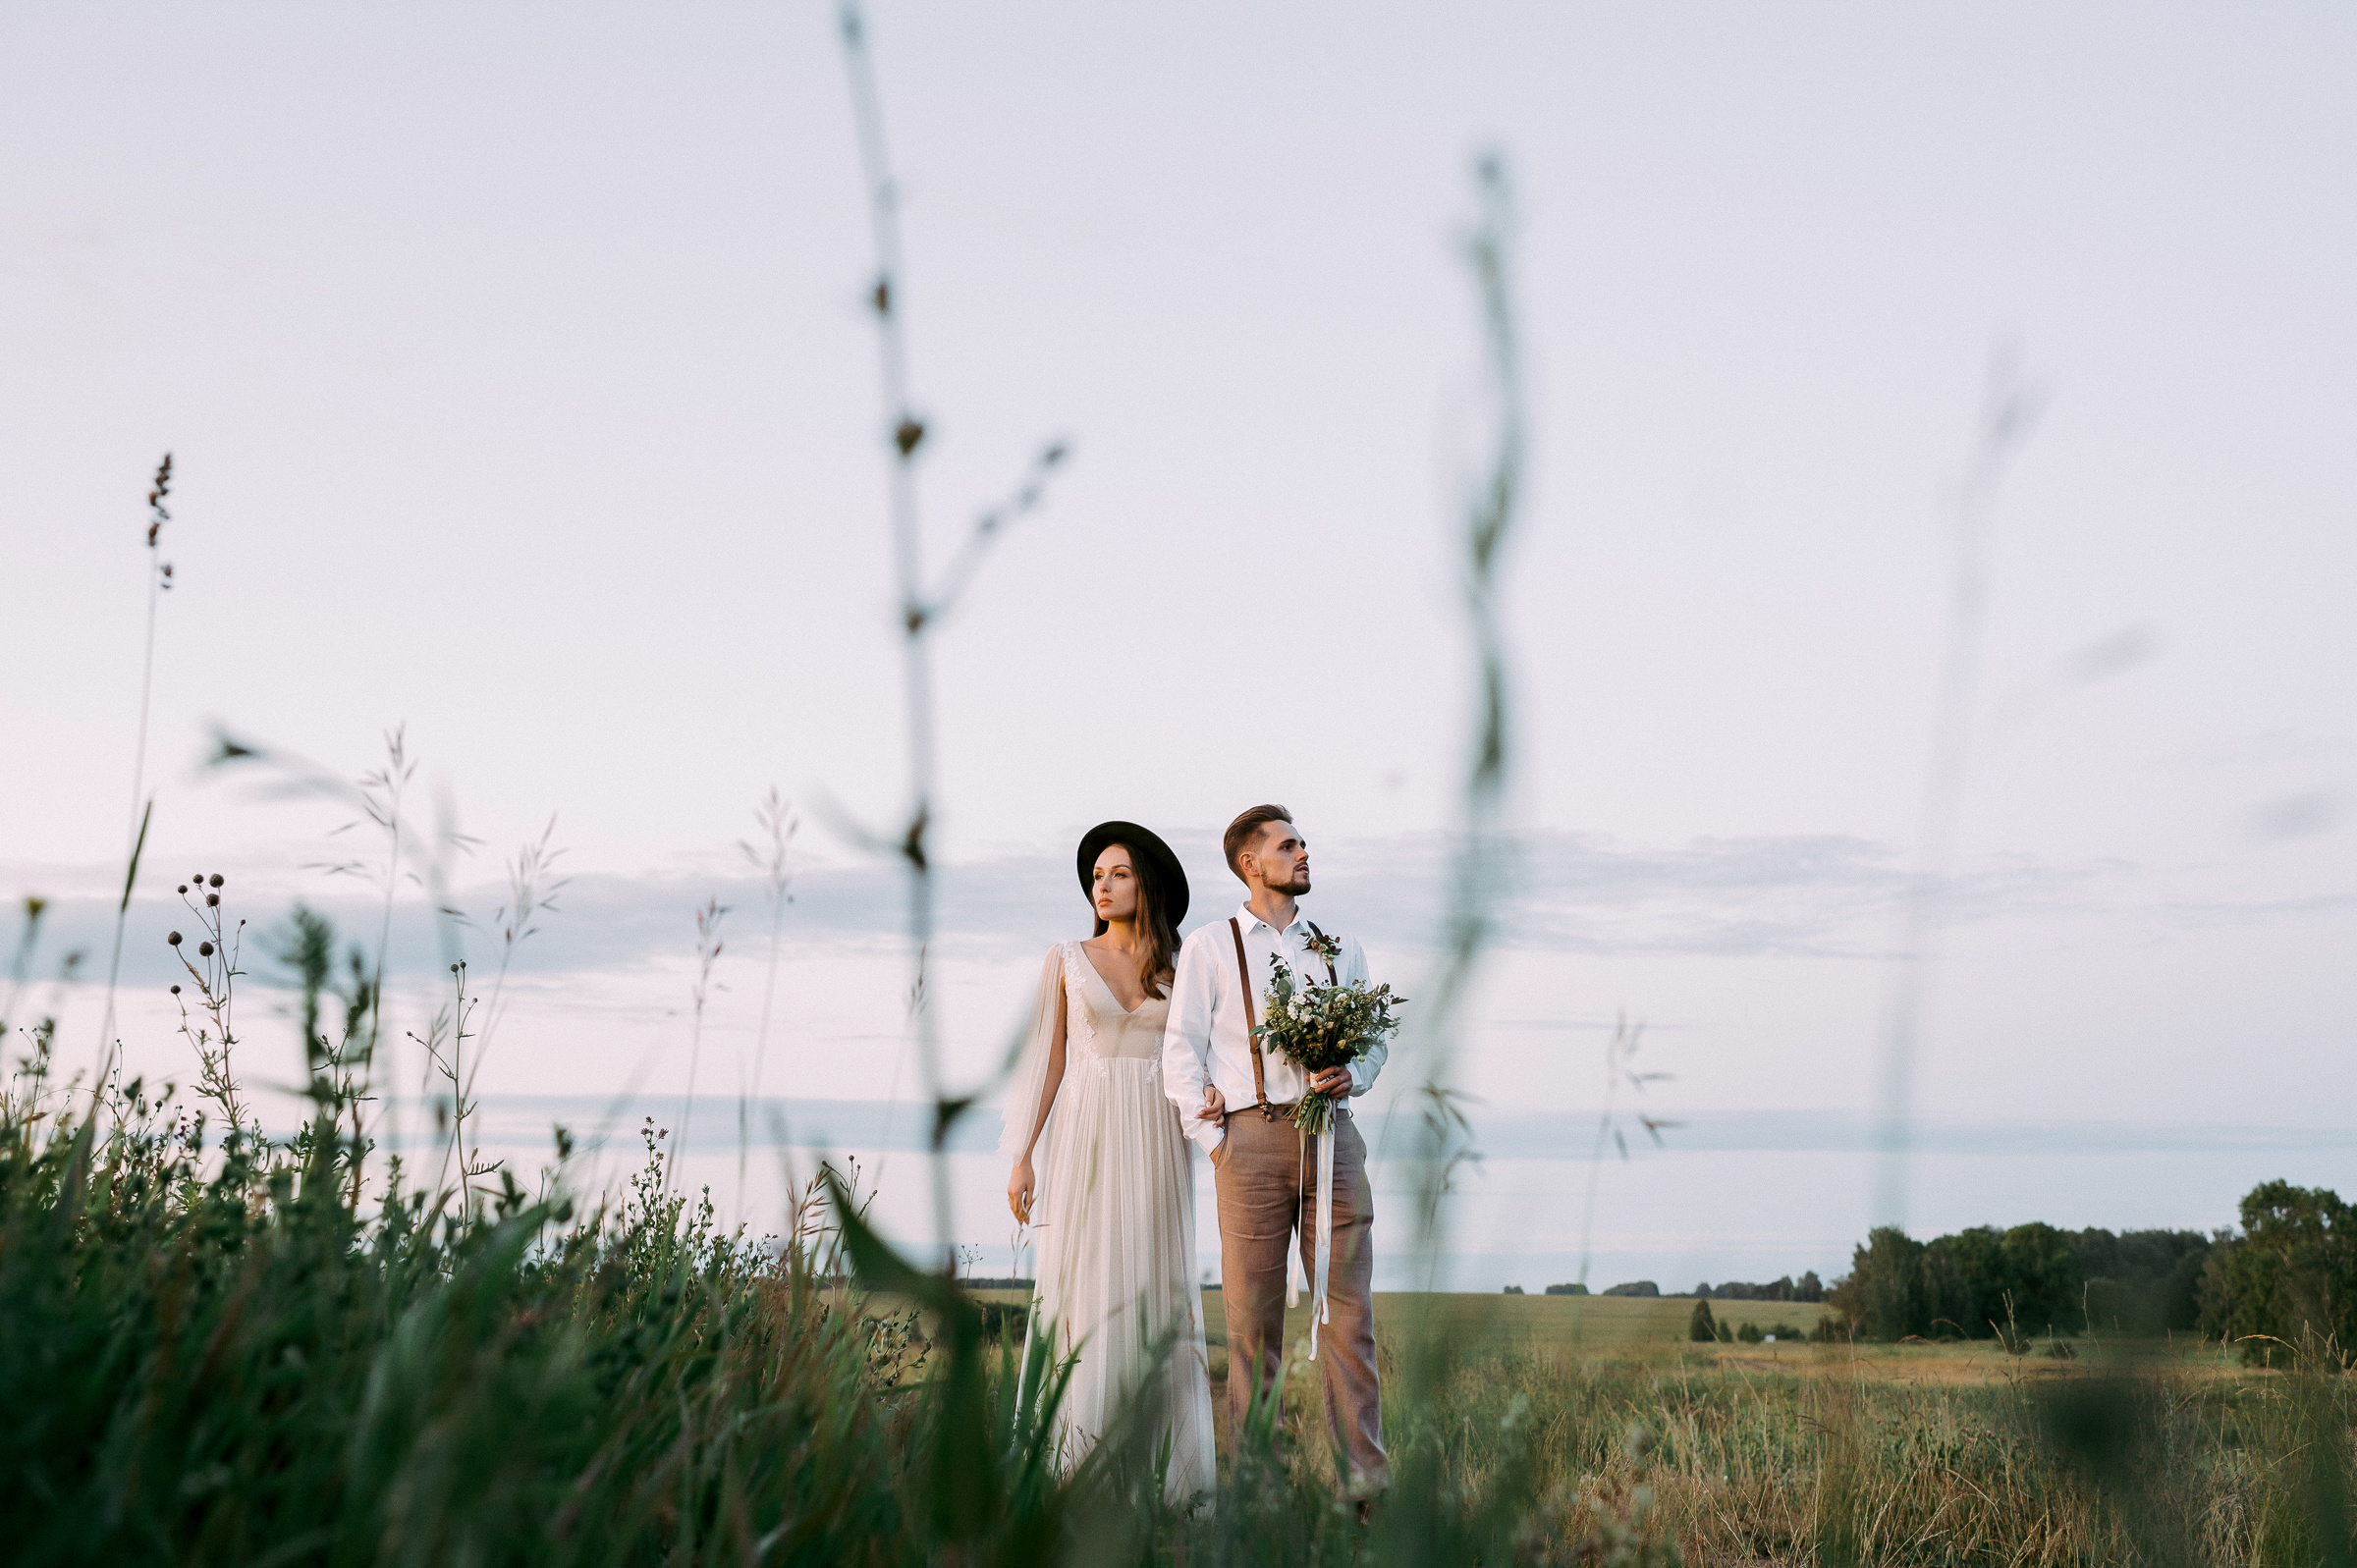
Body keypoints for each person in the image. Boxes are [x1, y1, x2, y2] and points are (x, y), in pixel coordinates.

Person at [1161, 803, 1388, 1496]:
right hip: (1250, 1141)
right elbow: (1179, 1048)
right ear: (1249, 863)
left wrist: (1358, 1071)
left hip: (1334, 1138)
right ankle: (1262, 1498)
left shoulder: (1339, 947)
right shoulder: (1210, 944)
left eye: (1305, 843)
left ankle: (1367, 1493)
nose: (1304, 852)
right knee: (1254, 1329)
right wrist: (1214, 1141)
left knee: (1352, 1322)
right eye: (1289, 845)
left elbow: (1376, 1038)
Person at [1001, 821, 1216, 1500]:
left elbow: (1203, 1058)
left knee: (1155, 1287)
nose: (1101, 884)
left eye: (1117, 872)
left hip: (1157, 1138)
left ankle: (1165, 1474)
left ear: (1144, 883)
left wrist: (1214, 1098)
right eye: (1096, 875)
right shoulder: (1066, 957)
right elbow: (1048, 1060)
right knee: (1085, 1284)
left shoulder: (1183, 969)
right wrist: (1022, 1155)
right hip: (1087, 1135)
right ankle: (1074, 1464)